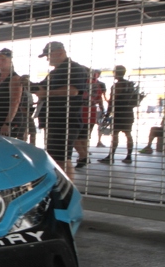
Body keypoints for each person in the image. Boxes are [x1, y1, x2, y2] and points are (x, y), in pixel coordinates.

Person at [32, 41, 88, 180]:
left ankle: (68, 190)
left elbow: (73, 90)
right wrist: (28, 85)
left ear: (60, 52)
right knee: (56, 157)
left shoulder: (75, 69)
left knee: (63, 158)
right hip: (54, 119)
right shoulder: (55, 72)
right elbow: (41, 88)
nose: (47, 59)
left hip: (66, 119)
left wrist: (47, 93)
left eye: (48, 55)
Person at [99, 65, 137, 164]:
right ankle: (129, 156)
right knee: (128, 134)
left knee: (115, 135)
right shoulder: (130, 85)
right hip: (128, 113)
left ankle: (111, 156)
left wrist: (107, 114)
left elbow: (112, 101)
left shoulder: (116, 86)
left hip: (119, 113)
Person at [0, 48, 25, 139]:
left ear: (10, 61)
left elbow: (15, 101)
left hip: (7, 120)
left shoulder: (14, 79)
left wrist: (7, 123)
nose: (0, 62)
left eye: (3, 59)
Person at [74, 68, 105, 168]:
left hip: (80, 112)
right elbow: (99, 99)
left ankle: (83, 156)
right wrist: (102, 110)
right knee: (84, 137)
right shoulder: (96, 85)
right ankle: (84, 156)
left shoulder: (80, 84)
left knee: (75, 137)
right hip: (91, 113)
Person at [20, 75, 38, 145]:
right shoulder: (21, 90)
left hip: (29, 111)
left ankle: (32, 145)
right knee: (24, 131)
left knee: (32, 131)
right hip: (24, 113)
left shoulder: (28, 90)